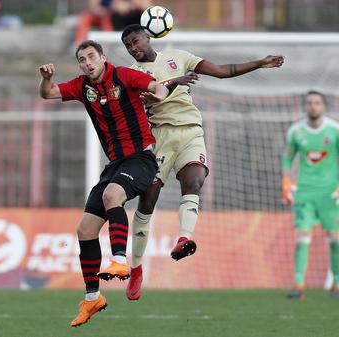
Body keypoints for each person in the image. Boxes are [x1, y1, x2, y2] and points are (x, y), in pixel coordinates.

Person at [121, 24, 284, 300]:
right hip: (158, 136)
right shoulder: (131, 74)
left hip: (190, 131)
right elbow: (147, 97)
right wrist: (173, 83)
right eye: (128, 46)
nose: (133, 48)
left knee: (194, 181)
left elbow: (220, 71)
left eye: (136, 41)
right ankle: (135, 269)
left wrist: (259, 63)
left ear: (149, 37)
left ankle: (184, 238)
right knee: (147, 201)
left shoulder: (178, 56)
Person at [39, 40, 168, 326]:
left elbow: (155, 85)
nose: (87, 63)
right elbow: (48, 93)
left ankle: (120, 260)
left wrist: (159, 94)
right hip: (115, 165)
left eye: (90, 57)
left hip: (141, 159)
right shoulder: (82, 86)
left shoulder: (124, 75)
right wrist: (46, 78)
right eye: (81, 60)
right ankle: (92, 298)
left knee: (113, 196)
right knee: (84, 229)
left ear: (102, 58)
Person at [282, 90, 339, 300]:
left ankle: (336, 285)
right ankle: (298, 285)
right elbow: (287, 159)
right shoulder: (296, 131)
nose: (313, 106)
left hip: (330, 194)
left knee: (335, 240)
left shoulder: (334, 130)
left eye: (316, 103)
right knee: (302, 239)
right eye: (309, 103)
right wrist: (287, 182)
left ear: (323, 106)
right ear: (305, 106)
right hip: (304, 193)